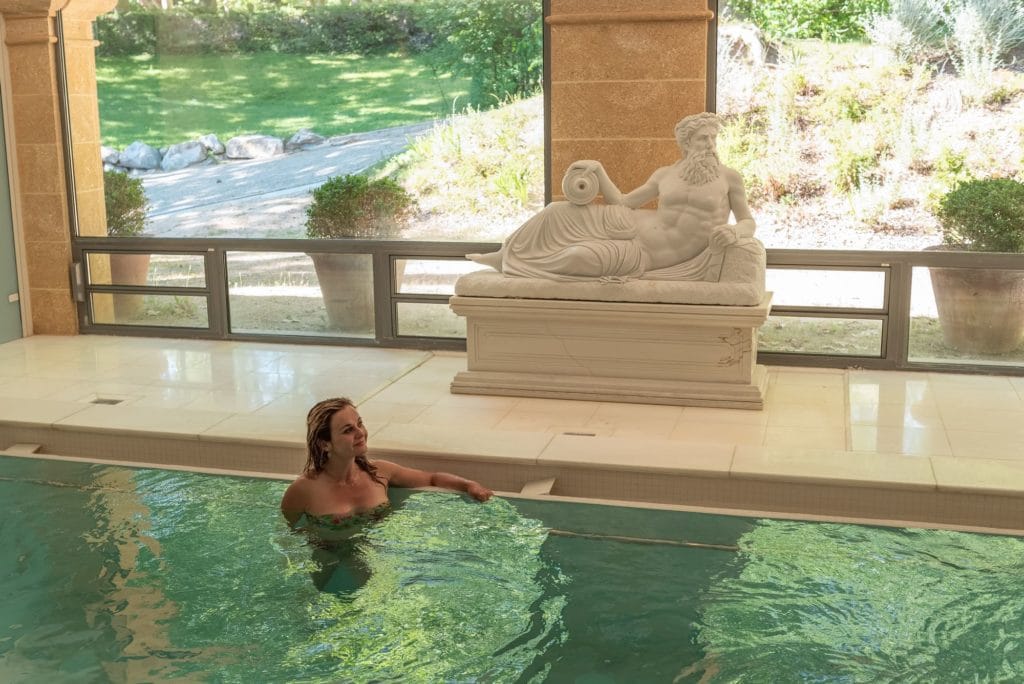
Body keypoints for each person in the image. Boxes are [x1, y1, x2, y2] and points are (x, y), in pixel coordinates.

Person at [469, 112, 757, 282]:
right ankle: (506, 254)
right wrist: (599, 171)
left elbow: (748, 222)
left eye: (712, 139)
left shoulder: (728, 177)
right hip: (625, 221)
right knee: (556, 210)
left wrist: (734, 232)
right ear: (686, 144)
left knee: (578, 257)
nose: (709, 145)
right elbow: (624, 202)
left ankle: (517, 265)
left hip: (644, 253)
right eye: (702, 139)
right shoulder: (665, 174)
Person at [280, 397, 493, 530]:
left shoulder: (379, 471)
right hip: (329, 563)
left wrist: (468, 485)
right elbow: (286, 536)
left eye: (359, 424)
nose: (360, 433)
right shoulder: (304, 490)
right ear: (324, 444)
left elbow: (432, 478)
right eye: (348, 430)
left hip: (381, 557)